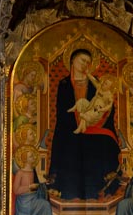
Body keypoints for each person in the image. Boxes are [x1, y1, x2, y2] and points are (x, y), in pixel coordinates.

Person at [49, 48, 120, 200]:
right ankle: (68, 194)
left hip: (93, 129)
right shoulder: (64, 84)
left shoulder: (96, 83)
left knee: (93, 158)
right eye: (82, 60)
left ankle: (96, 193)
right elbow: (62, 110)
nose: (85, 64)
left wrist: (94, 118)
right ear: (72, 61)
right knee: (68, 155)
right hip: (70, 129)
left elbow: (108, 104)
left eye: (88, 62)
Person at [11, 148, 54, 215]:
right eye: (31, 156)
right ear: (25, 159)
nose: (33, 158)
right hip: (24, 202)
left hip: (33, 198)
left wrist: (44, 184)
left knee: (46, 205)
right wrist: (29, 187)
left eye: (33, 156)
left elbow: (37, 185)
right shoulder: (20, 173)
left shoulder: (33, 171)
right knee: (45, 205)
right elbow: (16, 190)